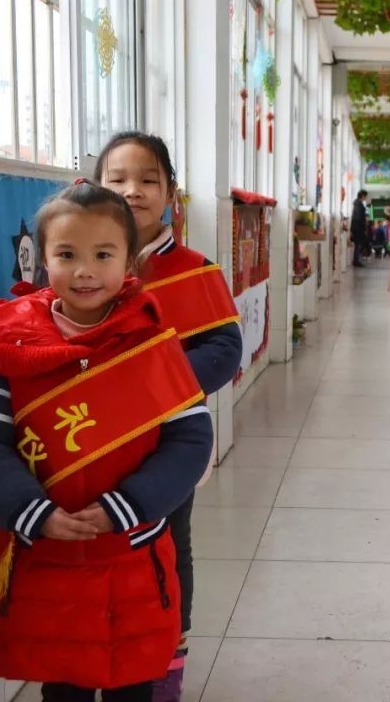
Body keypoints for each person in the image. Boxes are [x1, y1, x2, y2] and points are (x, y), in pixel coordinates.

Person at [0, 181, 214, 702]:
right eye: (67, 255)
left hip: (133, 555)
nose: (85, 271)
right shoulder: (8, 345)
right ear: (43, 260)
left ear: (129, 262)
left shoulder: (150, 340)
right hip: (51, 557)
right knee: (61, 687)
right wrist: (32, 512)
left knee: (134, 686)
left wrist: (129, 505)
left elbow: (189, 438)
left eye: (103, 254)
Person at [94, 131, 243, 702]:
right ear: (96, 185)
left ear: (171, 193)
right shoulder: (77, 263)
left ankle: (166, 664)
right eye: (118, 179)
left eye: (148, 180)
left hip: (168, 447)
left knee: (167, 546)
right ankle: (92, 653)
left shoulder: (194, 270)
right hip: (86, 446)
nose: (132, 191)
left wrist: (146, 387)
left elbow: (223, 350)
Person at [350, 189, 369, 267]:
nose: (366, 198)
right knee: (358, 244)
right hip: (358, 228)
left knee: (358, 244)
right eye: (365, 196)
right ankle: (356, 261)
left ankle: (357, 260)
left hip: (356, 227)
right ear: (363, 196)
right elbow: (359, 217)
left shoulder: (357, 203)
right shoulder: (358, 204)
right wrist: (363, 227)